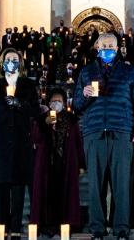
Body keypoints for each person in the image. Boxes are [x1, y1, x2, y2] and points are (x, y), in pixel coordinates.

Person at [72, 32, 134, 240]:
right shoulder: (87, 72)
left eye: (111, 46)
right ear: (97, 47)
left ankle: (121, 228)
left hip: (121, 131)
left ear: (118, 48)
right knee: (96, 185)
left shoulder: (129, 71)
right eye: (104, 45)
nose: (107, 48)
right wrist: (84, 95)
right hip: (94, 132)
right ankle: (97, 228)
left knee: (121, 184)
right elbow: (76, 105)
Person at [0, 49, 38, 239]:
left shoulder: (28, 85)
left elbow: (35, 111)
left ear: (20, 63)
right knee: (0, 189)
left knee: (18, 188)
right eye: (8, 59)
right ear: (2, 62)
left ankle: (15, 229)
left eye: (15, 59)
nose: (11, 62)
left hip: (20, 144)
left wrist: (19, 104)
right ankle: (1, 229)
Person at [30, 88, 85, 238]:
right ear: (48, 103)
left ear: (64, 102)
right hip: (46, 165)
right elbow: (35, 139)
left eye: (59, 101)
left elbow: (78, 143)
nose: (56, 104)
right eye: (53, 101)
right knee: (46, 194)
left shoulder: (72, 120)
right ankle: (47, 226)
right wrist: (44, 124)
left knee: (65, 195)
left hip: (66, 163)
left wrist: (81, 164)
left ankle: (64, 226)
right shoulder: (41, 119)